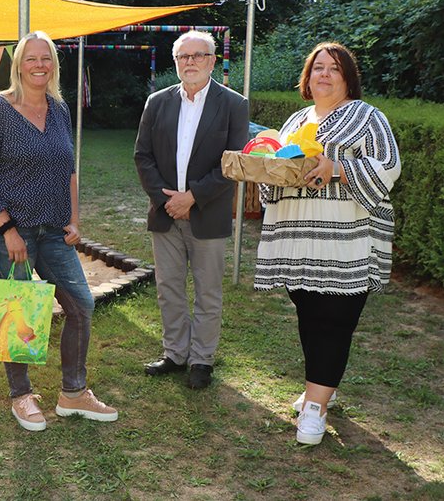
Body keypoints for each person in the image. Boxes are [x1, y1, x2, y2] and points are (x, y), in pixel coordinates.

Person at [0, 31, 117, 432]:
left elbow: (67, 167)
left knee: (81, 305)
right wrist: (7, 229)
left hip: (54, 229)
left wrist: (74, 217)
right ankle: (21, 396)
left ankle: (73, 393)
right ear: (19, 65)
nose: (39, 65)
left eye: (46, 59)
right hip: (11, 229)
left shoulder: (59, 110)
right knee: (17, 310)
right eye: (31, 59)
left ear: (53, 64)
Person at [254, 42, 401, 445]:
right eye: (317, 67)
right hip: (298, 238)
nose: (324, 74)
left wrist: (336, 168)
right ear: (307, 76)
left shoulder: (368, 118)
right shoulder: (296, 119)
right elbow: (281, 168)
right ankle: (322, 387)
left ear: (348, 77)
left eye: (334, 69)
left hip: (346, 240)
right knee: (309, 314)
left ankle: (315, 407)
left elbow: (388, 166)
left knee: (335, 320)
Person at [134, 30, 249, 389]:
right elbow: (143, 155)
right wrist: (166, 199)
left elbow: (235, 163)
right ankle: (175, 353)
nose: (191, 62)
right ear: (176, 62)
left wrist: (193, 197)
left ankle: (201, 360)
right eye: (184, 57)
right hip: (165, 212)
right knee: (169, 288)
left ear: (213, 61)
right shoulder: (157, 101)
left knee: (208, 291)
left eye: (199, 56)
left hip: (208, 213)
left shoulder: (233, 104)